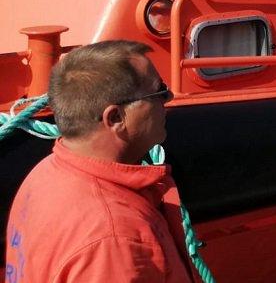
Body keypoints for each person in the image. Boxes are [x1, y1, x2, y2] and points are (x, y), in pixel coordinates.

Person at [5, 40, 195, 283]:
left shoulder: (44, 174)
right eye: (159, 92)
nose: (168, 98)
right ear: (115, 118)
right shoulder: (113, 240)